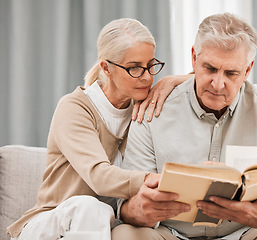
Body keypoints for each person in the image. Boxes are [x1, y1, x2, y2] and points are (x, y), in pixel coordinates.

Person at [113, 13, 257, 240]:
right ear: (194, 58)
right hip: (171, 234)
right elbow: (125, 203)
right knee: (124, 234)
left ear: (247, 70)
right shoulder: (154, 109)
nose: (218, 84)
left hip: (245, 233)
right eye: (210, 68)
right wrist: (137, 210)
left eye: (231, 73)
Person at [7, 18, 189, 240]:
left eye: (151, 65)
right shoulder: (75, 107)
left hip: (105, 229)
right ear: (106, 68)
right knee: (92, 208)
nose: (148, 77)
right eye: (134, 68)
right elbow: (99, 176)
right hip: (51, 224)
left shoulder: (143, 107)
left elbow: (208, 77)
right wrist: (155, 179)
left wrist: (171, 80)